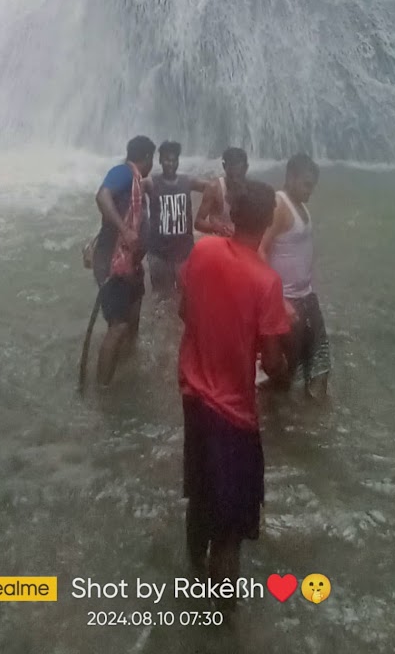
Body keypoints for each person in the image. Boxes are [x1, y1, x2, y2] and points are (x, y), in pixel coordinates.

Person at [179, 180, 290, 588]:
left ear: (234, 215)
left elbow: (184, 309)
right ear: (267, 221)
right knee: (230, 531)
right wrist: (284, 371)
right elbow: (273, 363)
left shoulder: (203, 250)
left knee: (200, 495)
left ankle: (193, 577)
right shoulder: (267, 282)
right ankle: (221, 617)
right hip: (234, 415)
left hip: (193, 397)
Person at [260, 153, 331, 401]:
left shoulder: (301, 205)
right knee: (287, 372)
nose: (310, 191)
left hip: (306, 296)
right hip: (287, 301)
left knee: (319, 364)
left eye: (313, 186)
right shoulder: (279, 205)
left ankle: (306, 416)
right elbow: (260, 251)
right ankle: (279, 417)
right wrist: (278, 300)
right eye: (306, 185)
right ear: (291, 177)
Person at [93, 136, 155, 385]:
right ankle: (103, 388)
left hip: (132, 264)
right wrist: (125, 229)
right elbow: (102, 196)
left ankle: (128, 370)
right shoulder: (123, 173)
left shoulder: (136, 181)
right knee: (118, 326)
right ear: (147, 157)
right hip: (114, 264)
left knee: (133, 316)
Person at [147, 142, 209, 299]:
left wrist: (211, 214)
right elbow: (131, 192)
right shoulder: (151, 182)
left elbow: (213, 188)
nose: (171, 164)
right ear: (160, 160)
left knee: (185, 293)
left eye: (174, 160)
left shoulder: (187, 181)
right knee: (160, 296)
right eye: (167, 160)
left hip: (183, 251)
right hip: (158, 252)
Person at [194, 146, 248, 235]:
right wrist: (217, 228)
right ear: (224, 166)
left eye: (239, 176)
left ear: (246, 168)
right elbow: (198, 222)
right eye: (231, 176)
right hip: (220, 239)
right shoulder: (214, 188)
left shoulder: (252, 189)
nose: (235, 180)